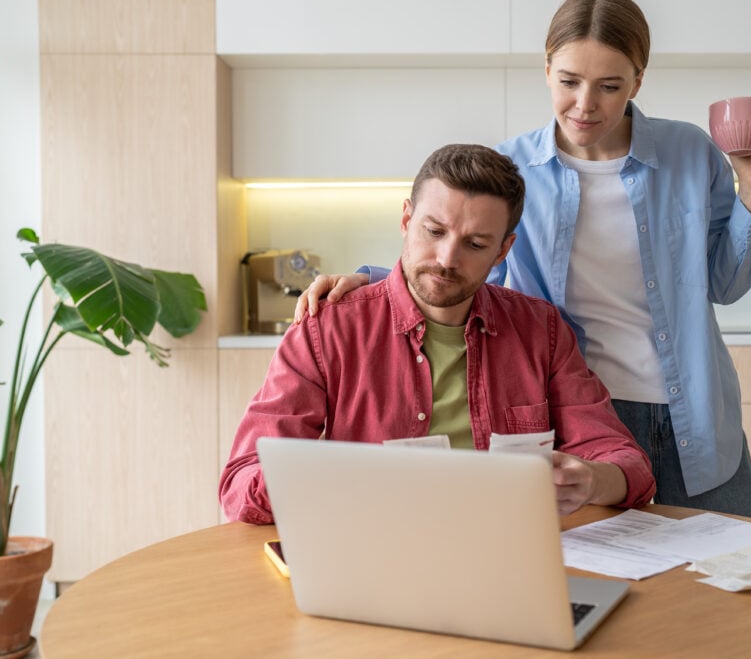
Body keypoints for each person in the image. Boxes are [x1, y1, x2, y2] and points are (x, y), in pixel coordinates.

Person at [295, 0, 751, 519]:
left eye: (610, 86)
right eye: (569, 82)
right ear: (547, 69)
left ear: (638, 82)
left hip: (694, 408)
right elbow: (471, 262)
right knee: (617, 580)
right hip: (583, 411)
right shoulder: (513, 167)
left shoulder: (689, 153)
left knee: (734, 573)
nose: (585, 105)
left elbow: (726, 284)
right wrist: (371, 279)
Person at [220, 143, 655, 525]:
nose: (447, 259)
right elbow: (240, 484)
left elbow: (627, 464)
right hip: (370, 547)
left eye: (476, 244)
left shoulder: (540, 330)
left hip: (506, 548)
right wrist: (335, 474)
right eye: (434, 231)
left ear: (503, 249)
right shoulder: (327, 327)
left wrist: (593, 480)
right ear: (406, 219)